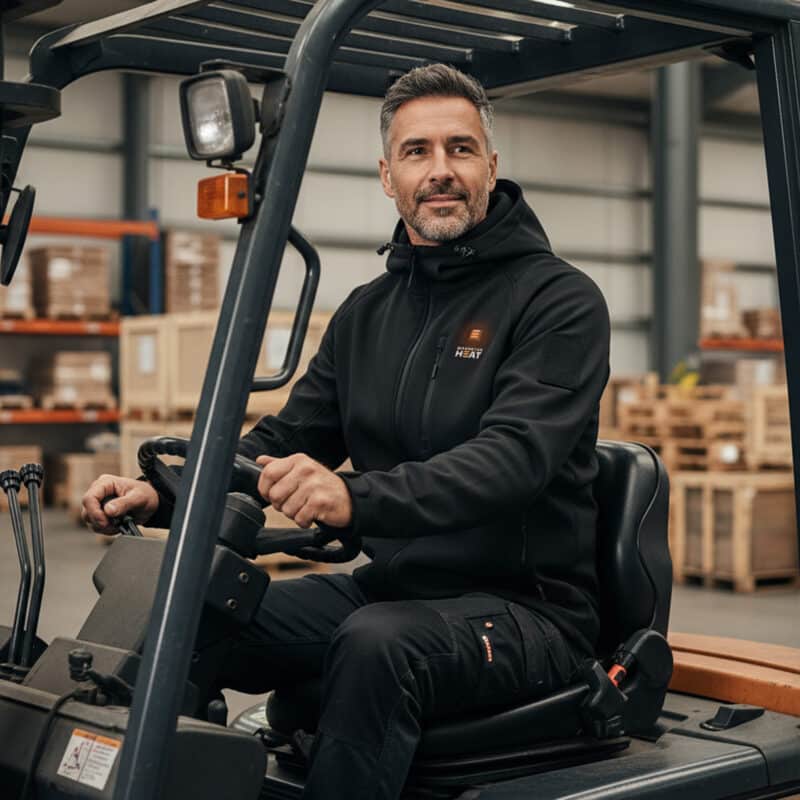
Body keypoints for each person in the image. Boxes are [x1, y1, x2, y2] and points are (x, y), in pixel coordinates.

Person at [82, 64, 610, 799]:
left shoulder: (559, 301)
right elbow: (288, 437)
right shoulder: (368, 311)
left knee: (376, 647)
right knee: (184, 607)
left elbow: (512, 460)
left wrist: (355, 499)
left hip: (526, 611)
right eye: (417, 152)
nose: (441, 171)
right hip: (394, 591)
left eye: (460, 149)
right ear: (387, 175)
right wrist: (161, 493)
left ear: (492, 165)